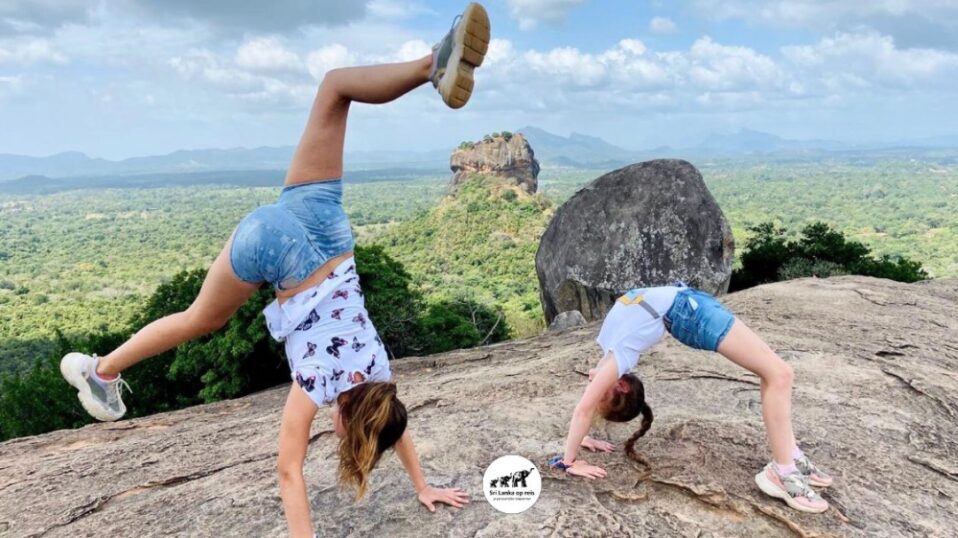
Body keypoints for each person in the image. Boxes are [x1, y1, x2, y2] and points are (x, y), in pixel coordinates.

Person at [58, 3, 490, 535]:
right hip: (274, 248)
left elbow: (393, 424)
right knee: (200, 319)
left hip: (327, 229)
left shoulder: (380, 372)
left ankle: (431, 62)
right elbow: (289, 473)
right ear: (347, 425)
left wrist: (423, 483)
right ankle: (100, 373)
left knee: (334, 88)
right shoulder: (315, 384)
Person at [548, 283, 834, 513]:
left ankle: (791, 457)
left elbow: (585, 409)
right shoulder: (620, 355)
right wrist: (569, 462)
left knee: (776, 373)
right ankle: (783, 471)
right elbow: (585, 408)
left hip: (691, 305)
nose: (592, 385)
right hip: (691, 314)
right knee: (779, 374)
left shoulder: (610, 349)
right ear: (621, 386)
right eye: (600, 392)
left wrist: (582, 439)